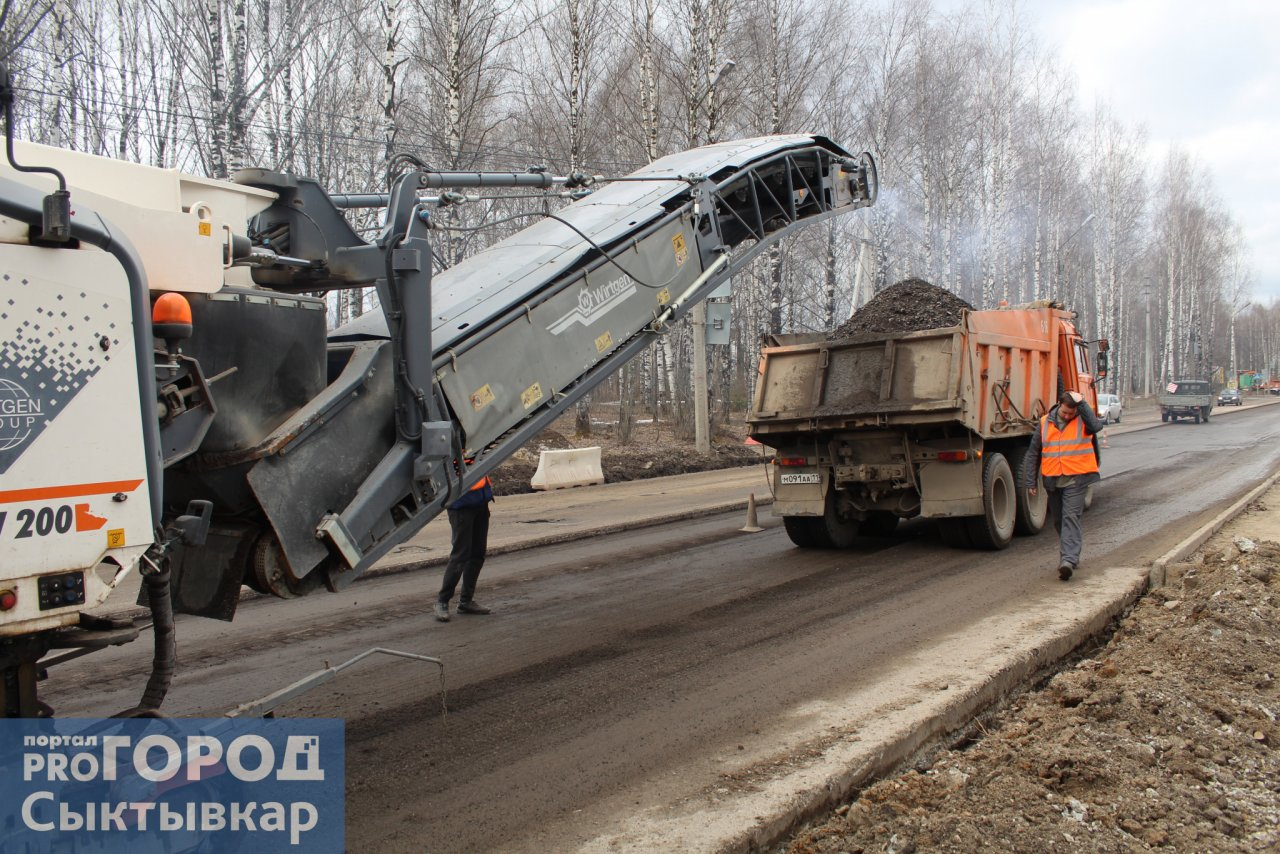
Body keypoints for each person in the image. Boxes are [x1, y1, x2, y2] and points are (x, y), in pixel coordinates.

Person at [1023, 390, 1105, 581]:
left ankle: (1067, 560)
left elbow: (1097, 426)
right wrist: (1030, 481)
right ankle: (1071, 553)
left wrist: (1081, 402)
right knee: (1059, 520)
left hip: (1077, 478)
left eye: (1071, 413)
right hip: (1052, 480)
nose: (1068, 416)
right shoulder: (1044, 422)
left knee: (1070, 517)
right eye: (1065, 412)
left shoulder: (1083, 420)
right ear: (1059, 405)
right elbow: (1033, 453)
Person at [434, 471, 495, 621]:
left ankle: (466, 601)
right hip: (461, 505)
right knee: (460, 555)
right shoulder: (453, 455)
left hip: (480, 502)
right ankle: (442, 601)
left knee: (478, 554)